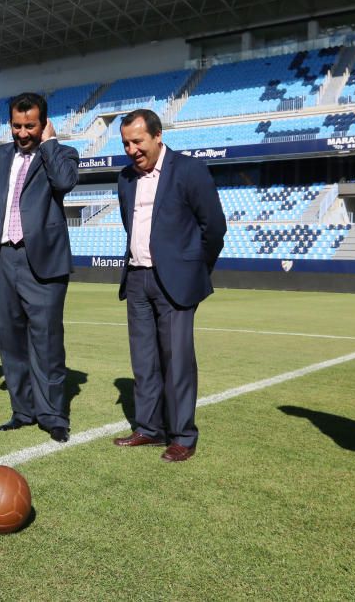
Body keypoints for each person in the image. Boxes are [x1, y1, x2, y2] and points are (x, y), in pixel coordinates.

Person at [111, 109, 226, 463]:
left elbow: (215, 229)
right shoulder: (125, 179)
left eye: (138, 141)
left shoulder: (189, 170)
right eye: (126, 143)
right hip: (136, 277)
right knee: (143, 360)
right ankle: (149, 427)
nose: (132, 149)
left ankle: (182, 436)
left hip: (175, 281)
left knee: (177, 361)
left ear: (158, 136)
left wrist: (194, 270)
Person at [0, 92, 78, 443]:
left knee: (46, 342)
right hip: (3, 261)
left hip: (42, 261)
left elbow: (64, 182)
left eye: (30, 126)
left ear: (43, 124)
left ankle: (52, 414)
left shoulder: (61, 154)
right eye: (17, 125)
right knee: (11, 342)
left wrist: (50, 143)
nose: (23, 132)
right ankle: (23, 410)